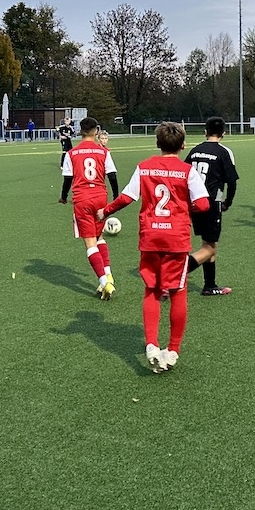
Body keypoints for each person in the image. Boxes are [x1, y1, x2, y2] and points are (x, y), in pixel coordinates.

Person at [100, 122, 210, 373]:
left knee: (152, 289)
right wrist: (183, 208)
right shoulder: (187, 171)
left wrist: (105, 212)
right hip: (176, 238)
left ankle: (151, 344)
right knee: (178, 291)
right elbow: (203, 204)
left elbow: (127, 197)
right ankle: (172, 350)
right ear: (183, 145)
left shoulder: (144, 167)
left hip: (150, 236)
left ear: (157, 143)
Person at [60, 117, 120, 299]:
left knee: (89, 242)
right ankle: (108, 274)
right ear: (96, 132)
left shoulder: (72, 153)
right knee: (99, 236)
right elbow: (112, 175)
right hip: (101, 197)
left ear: (80, 131)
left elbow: (68, 179)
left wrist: (63, 197)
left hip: (82, 199)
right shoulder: (103, 152)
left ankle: (105, 283)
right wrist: (116, 197)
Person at [184, 116, 239, 296]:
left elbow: (183, 174)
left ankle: (210, 285)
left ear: (205, 132)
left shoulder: (195, 151)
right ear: (224, 133)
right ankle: (176, 273)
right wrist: (228, 202)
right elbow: (232, 182)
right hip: (211, 203)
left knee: (208, 243)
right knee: (209, 248)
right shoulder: (224, 152)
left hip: (193, 202)